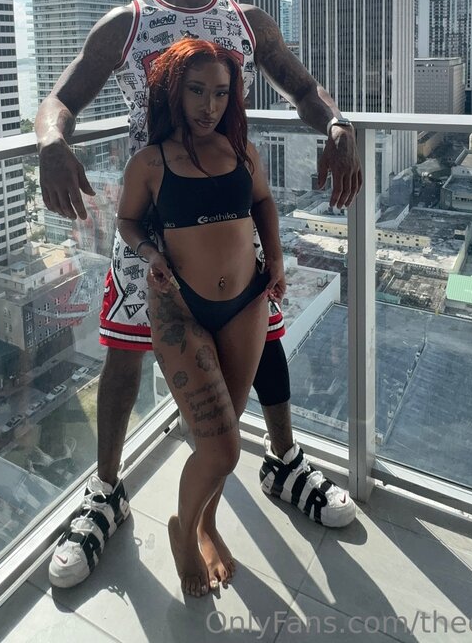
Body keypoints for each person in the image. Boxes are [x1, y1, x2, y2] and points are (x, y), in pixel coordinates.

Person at [38, 0, 361, 589]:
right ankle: (106, 492)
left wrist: (336, 125)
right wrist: (50, 142)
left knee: (265, 338)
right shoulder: (128, 23)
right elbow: (60, 100)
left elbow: (304, 89)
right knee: (124, 352)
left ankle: (282, 462)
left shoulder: (248, 23)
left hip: (229, 218)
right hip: (151, 227)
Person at [117, 38, 286, 594]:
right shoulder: (151, 162)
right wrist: (150, 254)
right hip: (180, 307)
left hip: (247, 303)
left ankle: (206, 523)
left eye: (220, 93)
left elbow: (263, 202)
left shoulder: (241, 150)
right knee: (222, 447)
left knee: (222, 441)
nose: (208, 106)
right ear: (174, 91)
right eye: (195, 91)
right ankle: (183, 534)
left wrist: (276, 259)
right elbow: (127, 222)